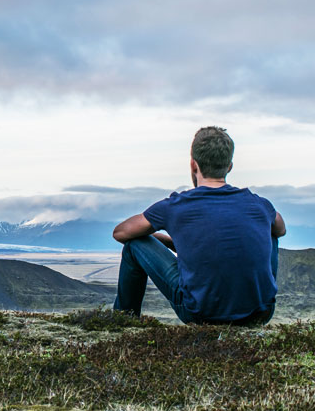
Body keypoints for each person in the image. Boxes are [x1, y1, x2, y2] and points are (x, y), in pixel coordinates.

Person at [112, 126, 286, 325]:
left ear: (193, 164)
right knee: (271, 232)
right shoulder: (260, 205)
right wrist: (174, 242)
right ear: (229, 166)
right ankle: (256, 300)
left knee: (134, 245)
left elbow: (120, 233)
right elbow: (280, 229)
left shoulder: (176, 206)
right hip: (261, 313)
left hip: (200, 314)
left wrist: (153, 237)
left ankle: (123, 321)